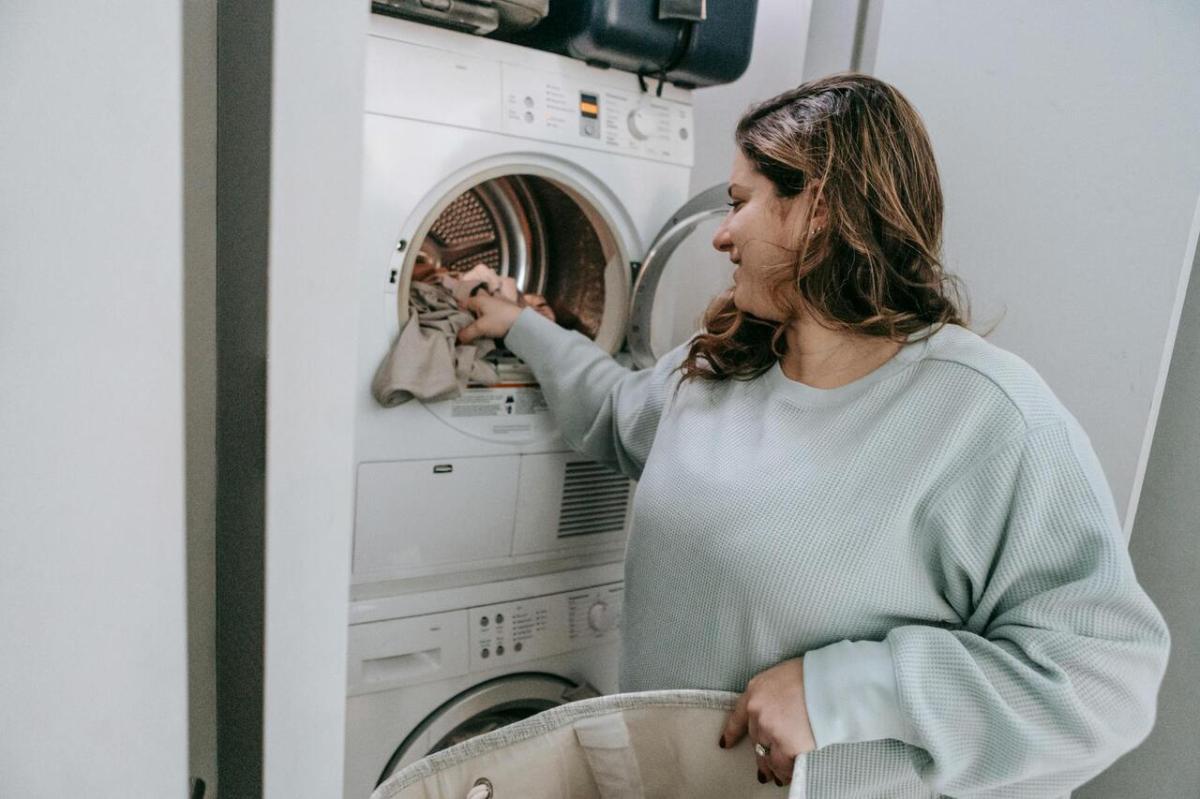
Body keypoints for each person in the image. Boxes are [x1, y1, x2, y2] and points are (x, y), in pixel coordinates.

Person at [456, 74, 1170, 797]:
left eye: (740, 202)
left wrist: (845, 688)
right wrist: (524, 326)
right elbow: (612, 411)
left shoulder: (986, 416)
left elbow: (1104, 682)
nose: (721, 234)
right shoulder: (722, 364)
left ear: (819, 208)